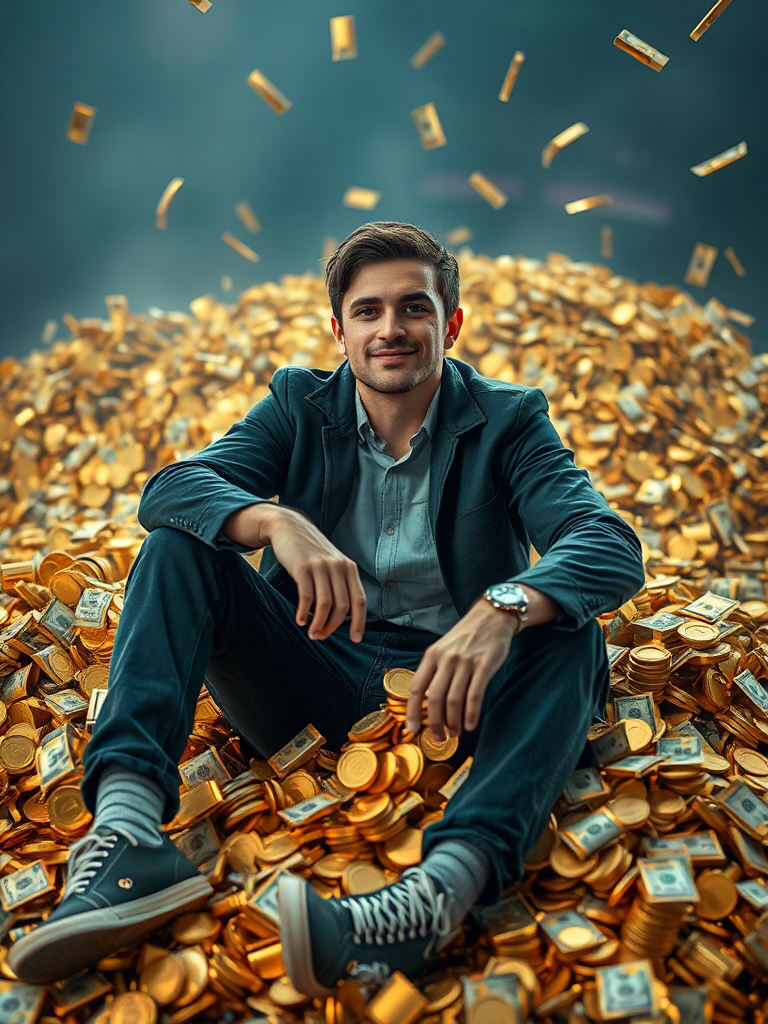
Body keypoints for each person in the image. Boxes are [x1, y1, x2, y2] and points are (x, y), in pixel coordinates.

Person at [9, 222, 645, 992]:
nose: (391, 330)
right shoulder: (296, 403)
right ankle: (128, 835)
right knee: (177, 548)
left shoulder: (510, 420)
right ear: (338, 332)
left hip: (449, 702)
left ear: (451, 324)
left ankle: (436, 897)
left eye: (413, 308)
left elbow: (607, 543)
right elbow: (171, 490)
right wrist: (276, 520)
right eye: (368, 312)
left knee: (570, 628)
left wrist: (502, 607)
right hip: (303, 680)